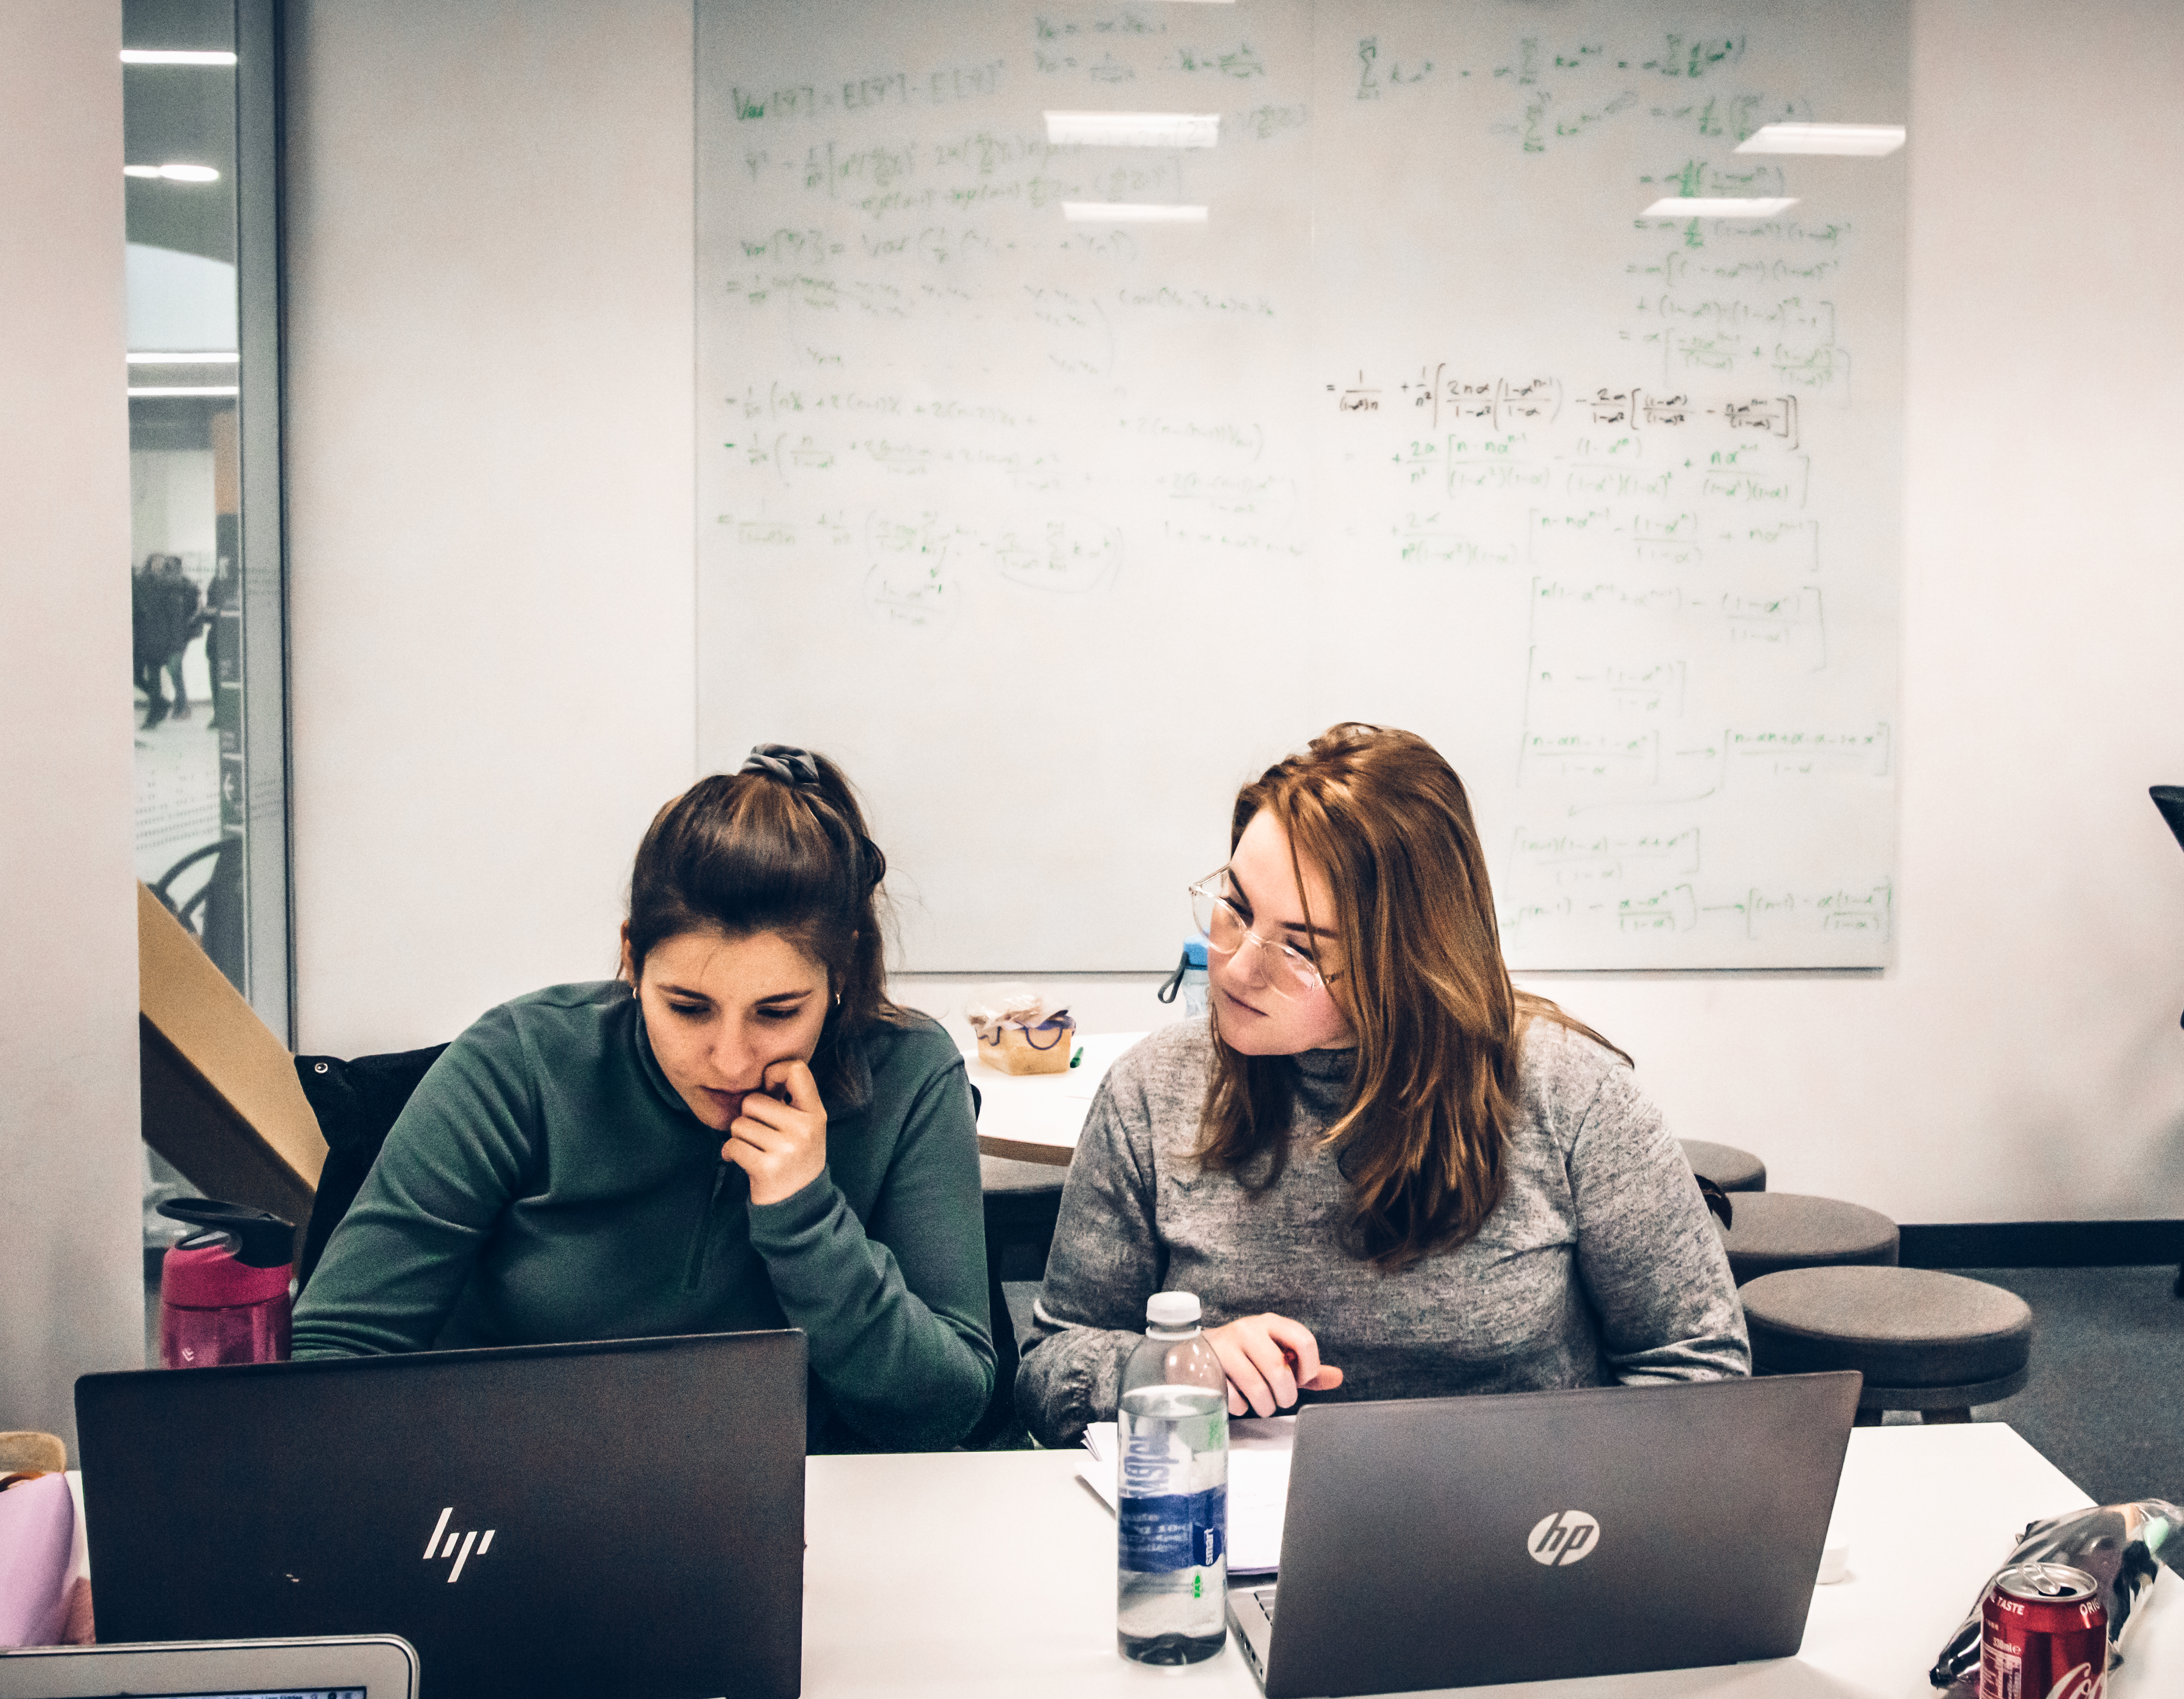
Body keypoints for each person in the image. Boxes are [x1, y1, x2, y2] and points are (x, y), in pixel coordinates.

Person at [1015, 723, 1748, 1448]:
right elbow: (1048, 1370)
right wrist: (1171, 1364)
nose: (1235, 968)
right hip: (1221, 1537)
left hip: (1512, 1537)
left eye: (1300, 950)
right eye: (1235, 908)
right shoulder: (1152, 1092)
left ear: (1410, 962)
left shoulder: (1570, 1098)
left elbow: (1700, 1368)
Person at [293, 745, 995, 1452]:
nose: (730, 1059)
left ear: (840, 971)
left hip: (783, 1512)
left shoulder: (908, 1072)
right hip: (508, 1492)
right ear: (632, 957)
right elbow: (331, 1357)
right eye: (688, 1008)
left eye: (778, 1012)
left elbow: (945, 1410)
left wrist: (807, 1221)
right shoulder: (523, 1060)